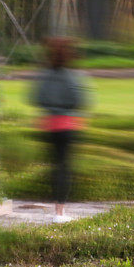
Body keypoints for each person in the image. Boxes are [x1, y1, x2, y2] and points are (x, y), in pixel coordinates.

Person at [31, 37, 89, 223]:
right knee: (65, 168)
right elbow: (80, 101)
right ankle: (60, 212)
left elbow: (36, 97)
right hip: (67, 125)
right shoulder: (73, 76)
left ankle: (56, 210)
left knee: (54, 167)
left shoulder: (44, 75)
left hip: (49, 125)